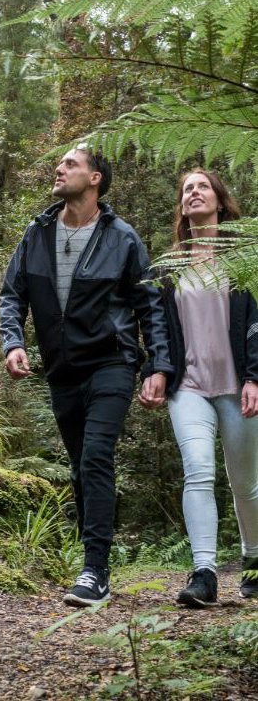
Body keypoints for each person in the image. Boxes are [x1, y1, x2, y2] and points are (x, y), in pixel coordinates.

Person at [0, 146, 174, 606]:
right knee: (80, 466)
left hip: (111, 363)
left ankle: (95, 569)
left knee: (96, 457)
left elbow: (150, 306)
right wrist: (13, 342)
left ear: (95, 178)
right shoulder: (36, 233)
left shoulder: (122, 237)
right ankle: (91, 561)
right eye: (60, 164)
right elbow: (11, 295)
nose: (59, 169)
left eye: (70, 164)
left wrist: (157, 365)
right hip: (61, 370)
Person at [159, 168, 258, 608]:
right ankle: (204, 574)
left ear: (219, 200)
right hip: (190, 387)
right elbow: (159, 329)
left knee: (245, 484)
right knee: (197, 471)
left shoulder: (245, 259)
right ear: (182, 206)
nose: (193, 193)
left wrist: (255, 376)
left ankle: (254, 561)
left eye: (202, 187)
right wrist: (156, 370)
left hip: (239, 386)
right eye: (186, 189)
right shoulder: (169, 267)